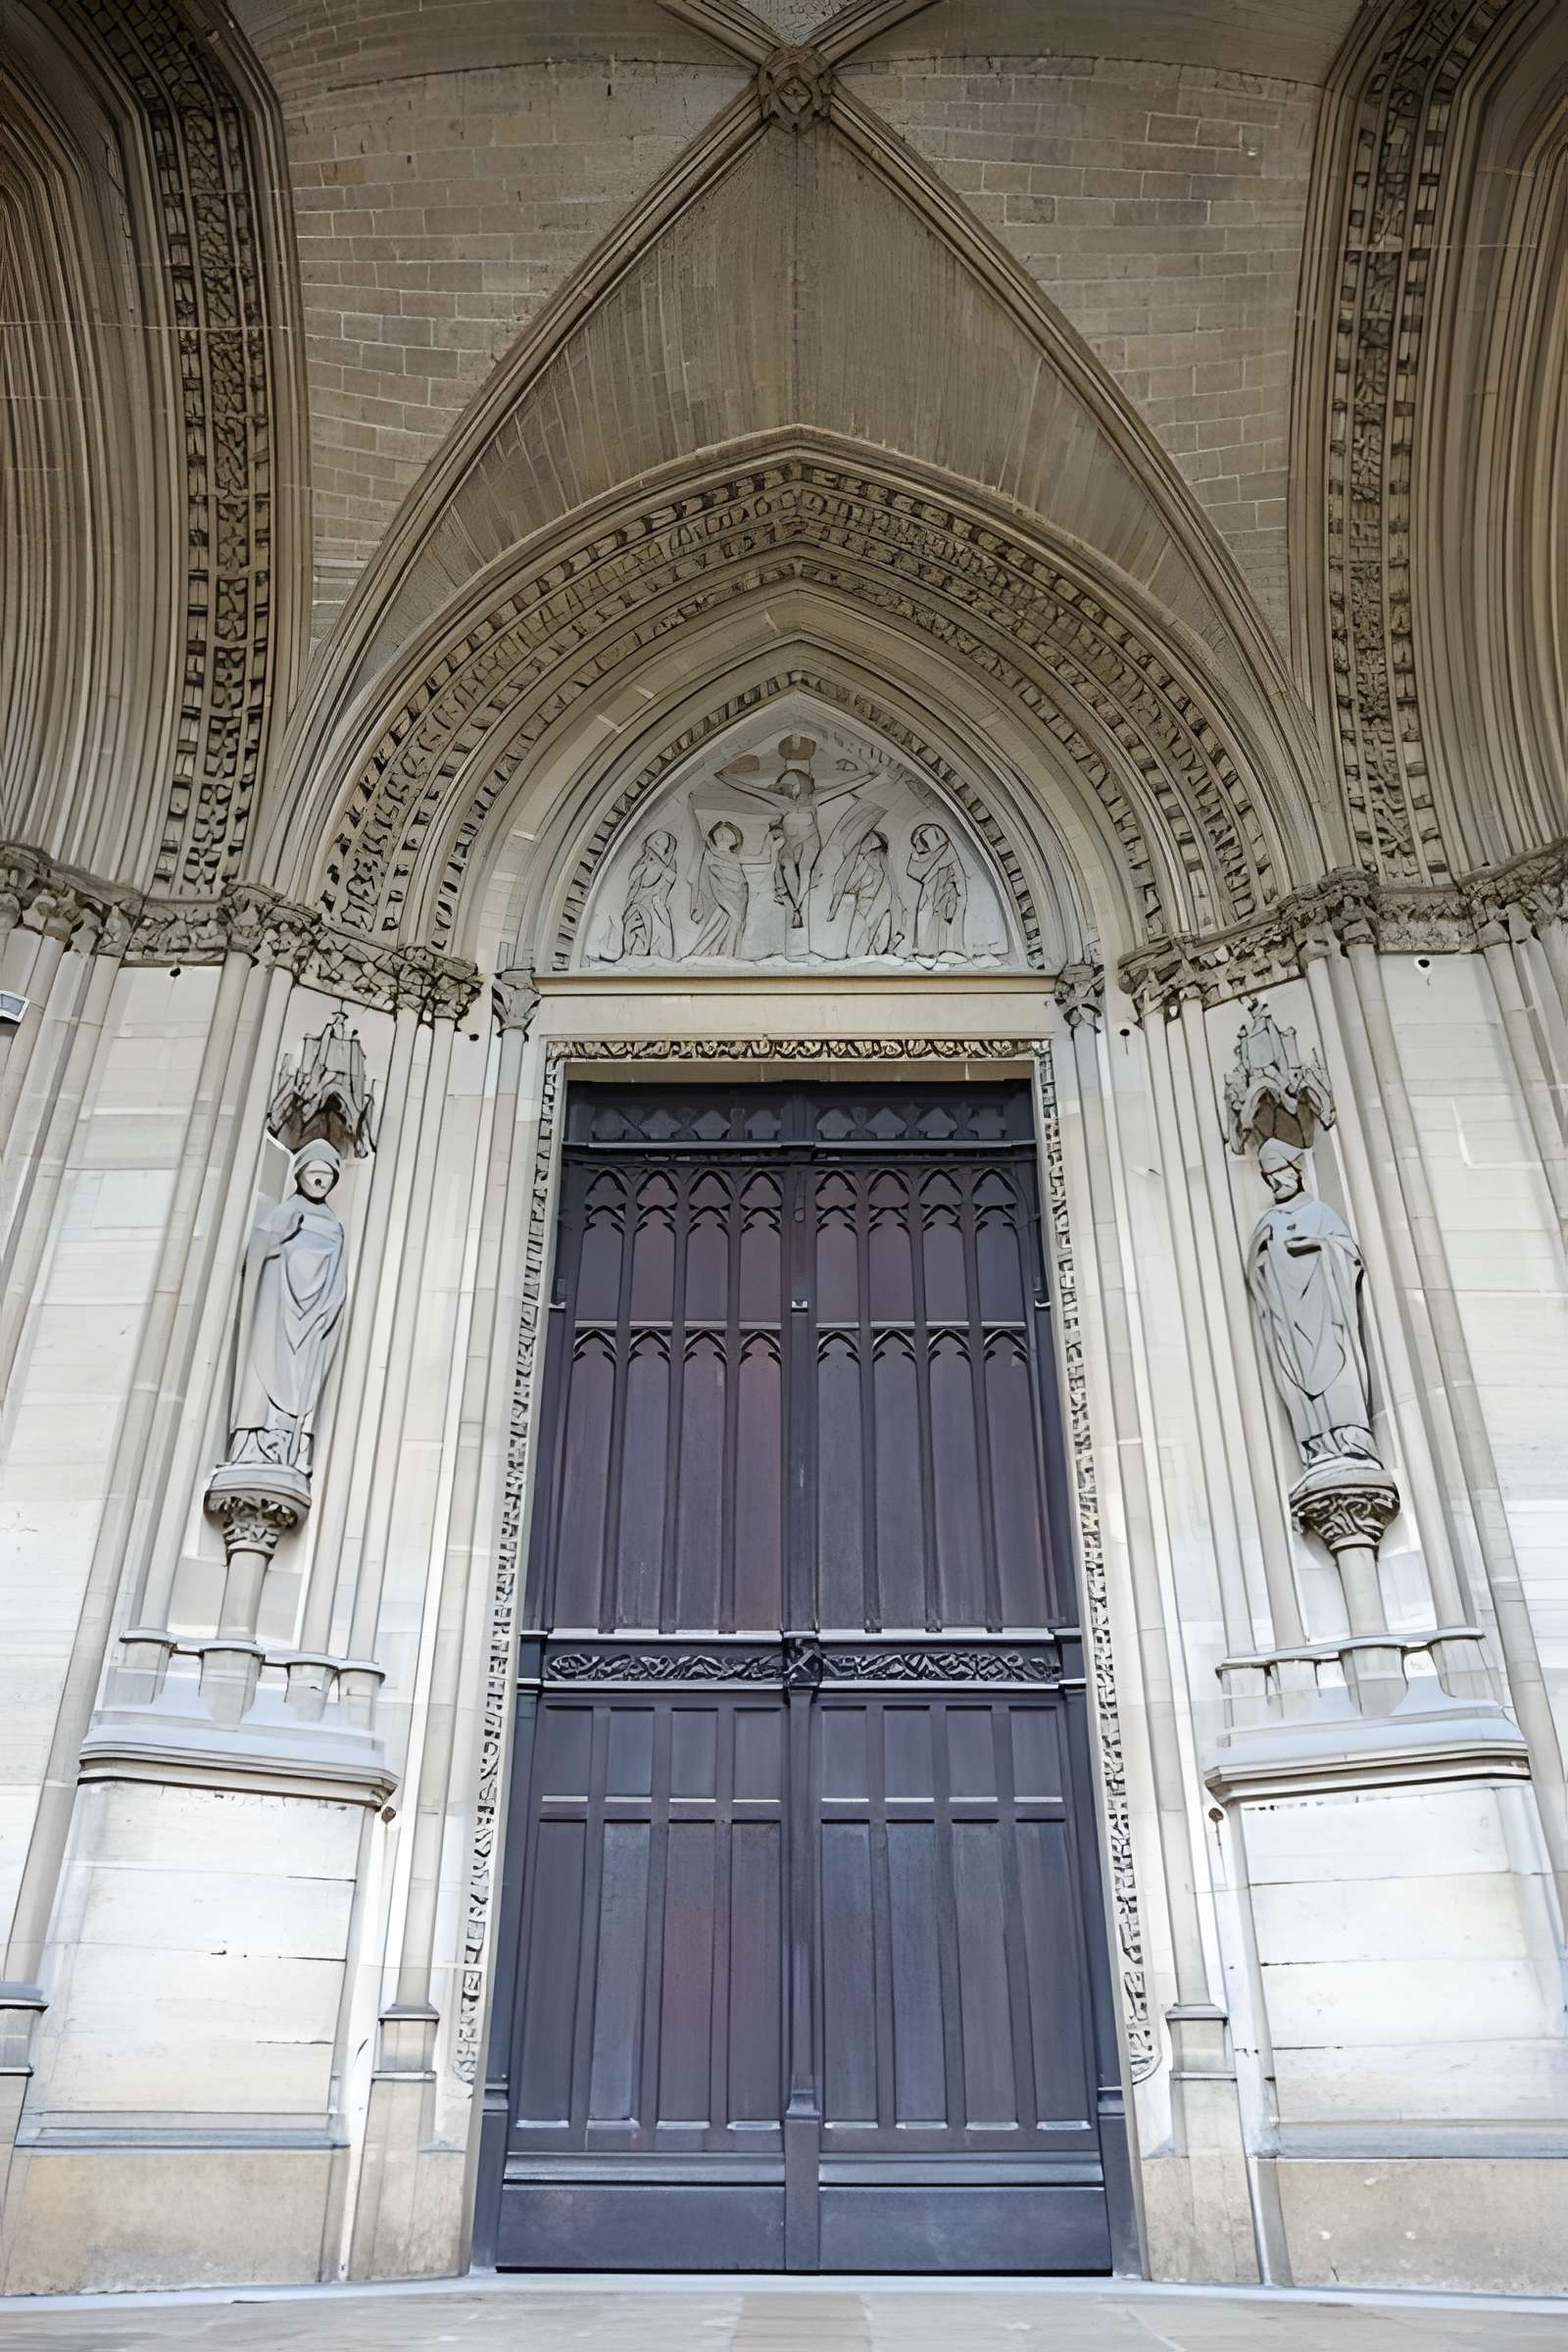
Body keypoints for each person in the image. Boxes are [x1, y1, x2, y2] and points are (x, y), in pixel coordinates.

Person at [1245, 1138, 1379, 1467]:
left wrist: (1317, 1245)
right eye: (1269, 1176)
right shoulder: (1267, 1223)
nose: (1275, 1181)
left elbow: (1349, 1256)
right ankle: (1317, 1444)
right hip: (1289, 1325)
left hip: (1325, 1315)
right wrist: (1263, 1258)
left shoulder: (1319, 1212)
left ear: (1296, 1170)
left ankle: (1349, 1437)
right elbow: (1255, 1276)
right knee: (1297, 1378)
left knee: (1336, 1370)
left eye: (1280, 1173)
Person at [226, 1141, 349, 1476]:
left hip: (310, 1326)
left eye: (327, 1176)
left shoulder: (335, 1227)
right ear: (299, 1173)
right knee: (263, 1371)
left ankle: (288, 1446)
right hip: (275, 1312)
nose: (320, 1181)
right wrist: (280, 1240)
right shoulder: (284, 1214)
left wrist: (326, 1310)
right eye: (314, 1173)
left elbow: (337, 1282)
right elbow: (256, 1256)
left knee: (298, 1383)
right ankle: (253, 1445)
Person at [689, 818, 749, 956]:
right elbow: (709, 874)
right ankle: (723, 952)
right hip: (717, 894)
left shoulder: (735, 858)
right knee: (729, 919)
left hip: (737, 895)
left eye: (728, 834)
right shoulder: (709, 854)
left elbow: (740, 879)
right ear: (713, 835)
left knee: (732, 921)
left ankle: (728, 952)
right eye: (720, 832)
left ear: (735, 840)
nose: (723, 835)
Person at [907, 822, 968, 956]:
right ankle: (928, 951)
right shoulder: (937, 856)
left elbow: (918, 872)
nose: (918, 848)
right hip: (935, 897)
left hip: (947, 898)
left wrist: (915, 859)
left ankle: (942, 950)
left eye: (920, 842)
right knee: (927, 916)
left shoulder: (944, 853)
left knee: (939, 923)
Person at [619, 829, 678, 957]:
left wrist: (662, 869)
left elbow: (670, 878)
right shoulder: (644, 865)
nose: (661, 850)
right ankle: (635, 949)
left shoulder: (665, 867)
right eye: (658, 844)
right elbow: (632, 880)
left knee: (659, 924)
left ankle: (657, 952)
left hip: (654, 903)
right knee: (637, 925)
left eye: (664, 847)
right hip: (639, 901)